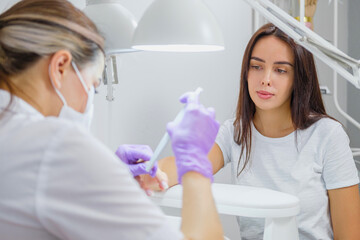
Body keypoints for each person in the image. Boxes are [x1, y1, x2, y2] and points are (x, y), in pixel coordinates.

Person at [0, 0, 224, 239]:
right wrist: (196, 164)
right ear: (60, 67)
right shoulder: (54, 146)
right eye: (93, 87)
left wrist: (102, 178)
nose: (89, 101)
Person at [146, 23, 360, 240]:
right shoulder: (235, 132)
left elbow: (350, 235)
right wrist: (149, 173)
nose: (265, 79)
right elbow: (185, 165)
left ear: (299, 79)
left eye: (280, 70)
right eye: (256, 66)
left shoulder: (327, 135)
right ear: (246, 73)